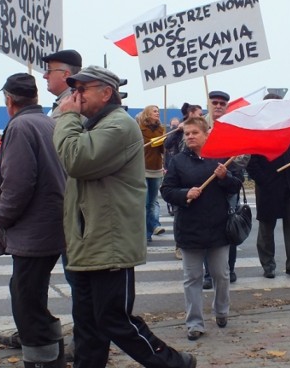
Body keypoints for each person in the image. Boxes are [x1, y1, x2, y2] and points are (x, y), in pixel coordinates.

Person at [53, 65, 196, 368]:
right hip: (89, 240)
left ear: (106, 93)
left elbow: (76, 160)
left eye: (82, 90)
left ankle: (174, 363)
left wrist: (66, 117)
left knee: (115, 321)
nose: (75, 97)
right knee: (89, 326)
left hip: (109, 242)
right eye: (74, 90)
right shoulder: (93, 124)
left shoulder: (118, 125)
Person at [0, 73, 67, 368]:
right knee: (29, 293)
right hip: (49, 225)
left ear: (9, 100)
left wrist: (1, 216)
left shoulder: (20, 126)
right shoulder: (47, 122)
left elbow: (19, 182)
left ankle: (44, 360)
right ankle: (48, 353)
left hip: (33, 230)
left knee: (27, 302)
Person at [160, 116, 243, 341]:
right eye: (187, 133)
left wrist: (225, 177)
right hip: (190, 228)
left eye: (194, 132)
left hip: (218, 227)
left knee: (221, 274)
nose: (189, 137)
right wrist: (184, 193)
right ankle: (194, 323)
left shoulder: (221, 157)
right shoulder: (177, 161)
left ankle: (222, 311)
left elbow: (237, 185)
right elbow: (166, 190)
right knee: (192, 278)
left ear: (206, 134)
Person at [246, 93, 290, 281]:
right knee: (266, 227)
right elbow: (251, 162)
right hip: (267, 185)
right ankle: (268, 265)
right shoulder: (256, 129)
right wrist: (263, 180)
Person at [203, 91, 239, 288]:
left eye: (222, 103)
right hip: (205, 185)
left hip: (228, 184)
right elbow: (185, 149)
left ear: (226, 106)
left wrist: (230, 165)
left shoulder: (233, 127)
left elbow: (244, 157)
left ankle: (229, 269)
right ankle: (208, 273)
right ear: (208, 103)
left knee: (229, 229)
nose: (218, 106)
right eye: (214, 102)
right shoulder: (198, 125)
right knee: (207, 230)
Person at [164, 103, 203, 260]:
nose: (201, 116)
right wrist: (178, 131)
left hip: (197, 172)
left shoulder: (203, 127)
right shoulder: (181, 128)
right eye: (199, 113)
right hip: (180, 173)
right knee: (179, 212)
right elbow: (167, 145)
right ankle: (179, 245)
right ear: (191, 113)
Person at [139, 105, 166, 242]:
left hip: (156, 170)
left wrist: (163, 142)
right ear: (147, 114)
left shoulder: (162, 130)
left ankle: (149, 232)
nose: (157, 113)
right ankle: (144, 233)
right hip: (143, 169)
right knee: (144, 202)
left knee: (151, 203)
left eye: (158, 112)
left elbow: (162, 150)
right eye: (155, 111)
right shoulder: (139, 129)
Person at [41, 49, 83, 118]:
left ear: (65, 75)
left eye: (49, 71)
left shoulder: (69, 104)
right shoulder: (76, 100)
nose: (45, 76)